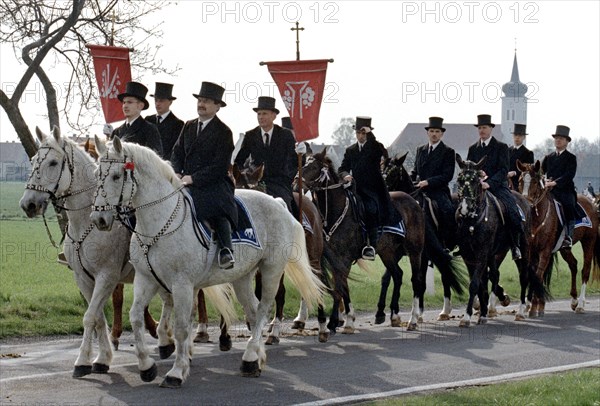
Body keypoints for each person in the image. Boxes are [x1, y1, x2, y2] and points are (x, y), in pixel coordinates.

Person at [171, 82, 237, 269]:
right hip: (184, 179)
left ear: (217, 106)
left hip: (213, 183)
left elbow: (219, 166)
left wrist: (193, 178)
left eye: (206, 101)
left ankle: (226, 249)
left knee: (215, 206)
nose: (201, 104)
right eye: (200, 100)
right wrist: (176, 171)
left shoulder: (224, 132)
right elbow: (176, 152)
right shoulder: (188, 126)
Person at [466, 114, 524, 260]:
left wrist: (489, 183)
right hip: (477, 188)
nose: (482, 130)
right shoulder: (473, 148)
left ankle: (515, 245)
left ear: (491, 129)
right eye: (479, 128)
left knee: (513, 211)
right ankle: (463, 243)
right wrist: (478, 176)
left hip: (498, 187)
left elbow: (504, 170)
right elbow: (469, 169)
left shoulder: (501, 147)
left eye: (484, 127)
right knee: (462, 210)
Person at [338, 116, 392, 261]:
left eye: (363, 133)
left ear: (367, 134)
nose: (360, 136)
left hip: (372, 189)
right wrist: (345, 176)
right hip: (355, 188)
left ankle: (371, 245)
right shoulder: (351, 150)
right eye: (358, 133)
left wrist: (371, 134)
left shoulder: (375, 147)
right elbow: (342, 168)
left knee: (370, 209)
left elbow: (383, 152)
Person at [235, 97, 297, 212]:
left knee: (285, 204)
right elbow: (239, 160)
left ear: (274, 116)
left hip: (279, 183)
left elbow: (293, 162)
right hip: (254, 182)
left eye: (264, 114)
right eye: (259, 114)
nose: (261, 117)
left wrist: (287, 178)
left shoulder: (285, 135)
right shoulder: (250, 135)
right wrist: (244, 175)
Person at [410, 116, 456, 249]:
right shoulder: (420, 150)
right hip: (419, 189)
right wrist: (411, 181)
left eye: (437, 131)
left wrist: (428, 182)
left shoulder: (448, 151)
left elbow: (447, 175)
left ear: (441, 134)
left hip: (438, 191)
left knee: (447, 210)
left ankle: (447, 243)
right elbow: (415, 171)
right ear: (427, 133)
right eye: (431, 131)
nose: (434, 134)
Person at [541, 125, 578, 249]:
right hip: (549, 190)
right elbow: (541, 172)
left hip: (565, 190)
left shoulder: (571, 158)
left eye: (561, 139)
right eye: (556, 138)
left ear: (567, 142)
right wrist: (544, 180)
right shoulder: (548, 157)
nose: (558, 140)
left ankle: (568, 236)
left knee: (569, 206)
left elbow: (569, 175)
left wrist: (555, 183)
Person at [110, 81, 163, 156]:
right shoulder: (116, 132)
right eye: (124, 102)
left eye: (130, 102)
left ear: (140, 105)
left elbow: (155, 158)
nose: (125, 106)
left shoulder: (149, 129)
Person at [145, 82, 184, 161]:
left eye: (161, 101)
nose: (157, 104)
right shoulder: (148, 120)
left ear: (170, 102)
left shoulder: (177, 124)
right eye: (156, 100)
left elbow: (175, 150)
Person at [508, 123, 534, 189]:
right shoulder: (507, 150)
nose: (517, 137)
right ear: (513, 136)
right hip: (506, 182)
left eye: (520, 135)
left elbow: (528, 171)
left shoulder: (528, 153)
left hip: (520, 184)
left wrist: (514, 173)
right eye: (515, 135)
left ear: (524, 137)